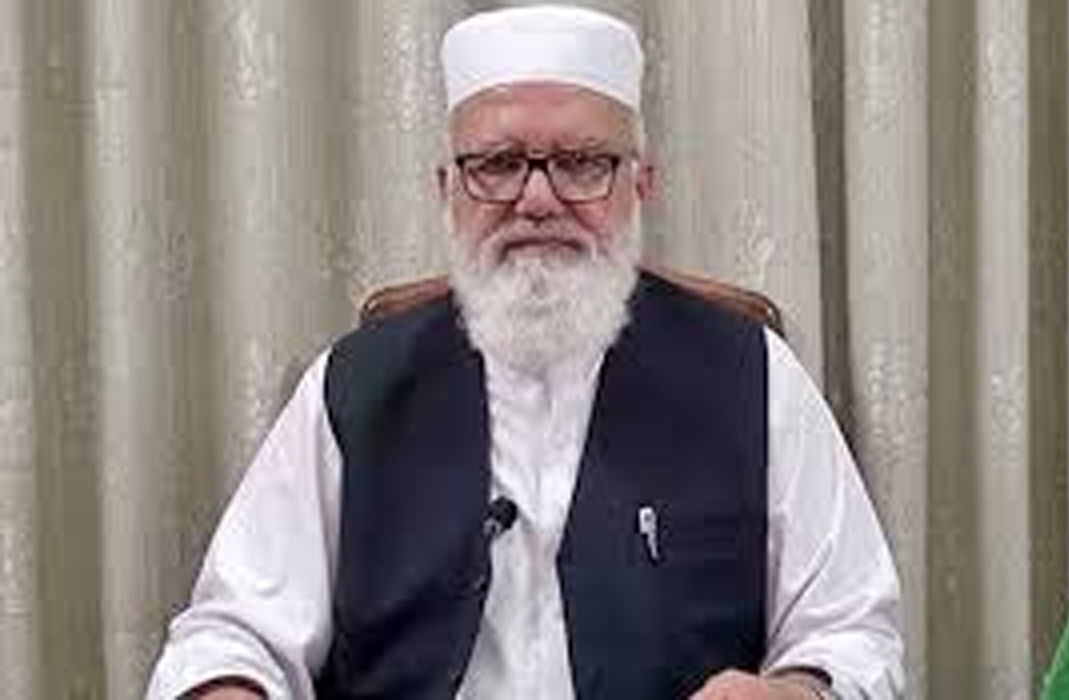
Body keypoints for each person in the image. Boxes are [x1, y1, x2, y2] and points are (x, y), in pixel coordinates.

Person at [146, 5, 903, 699]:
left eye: (581, 162)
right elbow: (233, 630)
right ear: (448, 187)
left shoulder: (752, 377)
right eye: (499, 164)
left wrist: (799, 691)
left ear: (640, 185)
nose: (538, 200)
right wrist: (229, 686)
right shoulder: (356, 387)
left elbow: (853, 633)